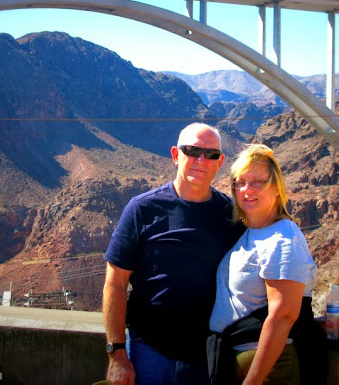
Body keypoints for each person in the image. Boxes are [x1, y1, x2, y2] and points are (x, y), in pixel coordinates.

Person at [103, 123, 245, 385]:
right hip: (148, 352)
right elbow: (115, 284)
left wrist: (303, 319)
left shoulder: (232, 215)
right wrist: (117, 355)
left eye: (211, 154)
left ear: (221, 161)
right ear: (175, 155)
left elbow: (261, 273)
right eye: (192, 151)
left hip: (208, 354)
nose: (201, 160)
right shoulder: (142, 209)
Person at [207, 144, 327, 385]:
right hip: (242, 360)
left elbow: (283, 316)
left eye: (257, 182)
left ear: (276, 187)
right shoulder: (253, 232)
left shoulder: (282, 237)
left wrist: (252, 381)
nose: (246, 189)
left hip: (269, 371)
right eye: (239, 183)